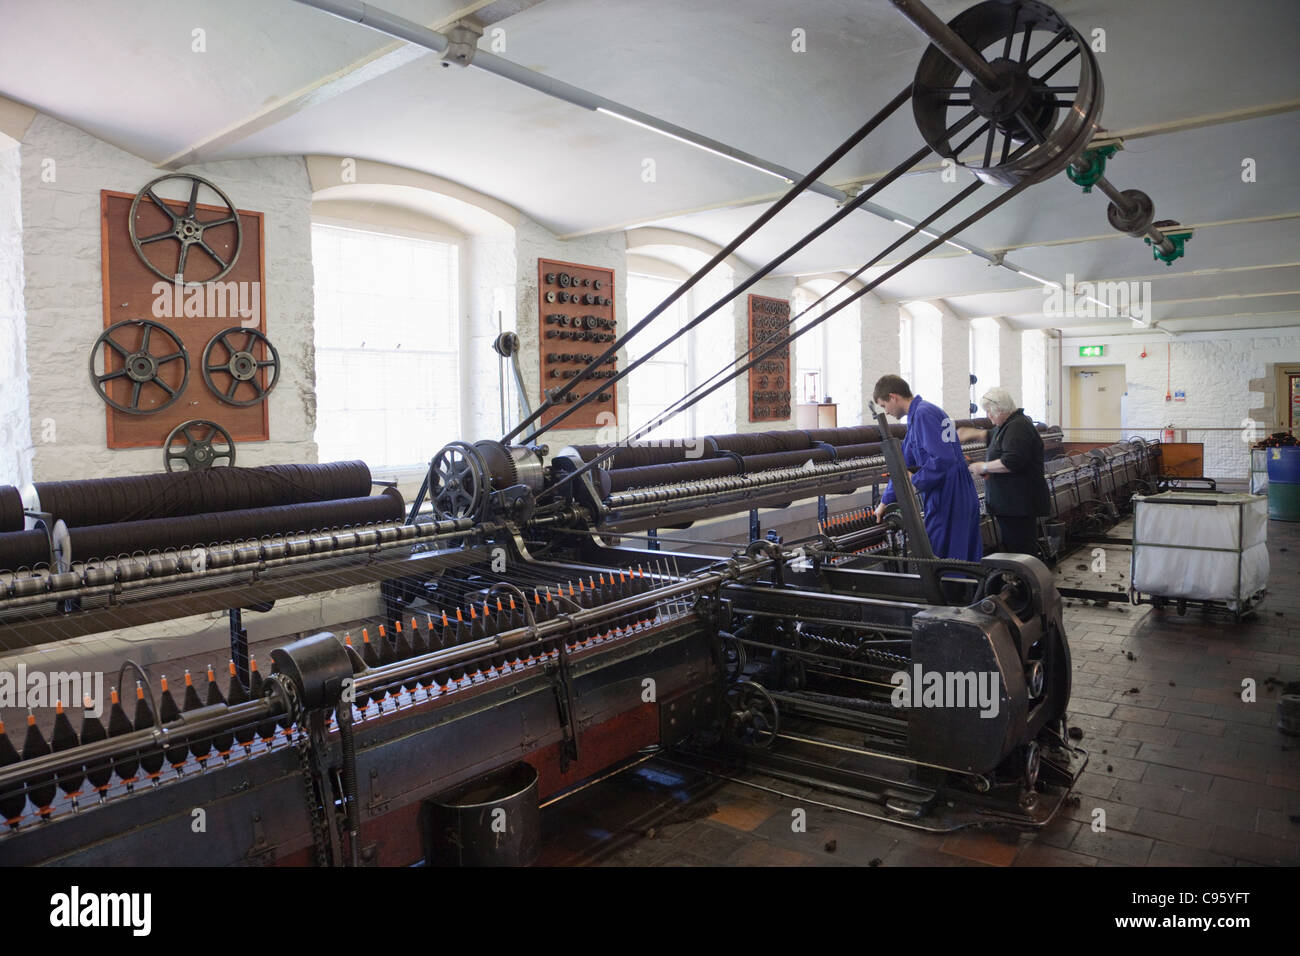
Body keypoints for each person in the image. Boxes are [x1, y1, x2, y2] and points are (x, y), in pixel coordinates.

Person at [871, 375, 982, 561]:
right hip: (957, 491)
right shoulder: (922, 415)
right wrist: (884, 503)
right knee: (962, 555)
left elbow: (943, 459)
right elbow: (903, 464)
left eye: (884, 406)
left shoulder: (923, 415)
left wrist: (915, 481)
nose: (886, 412)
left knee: (946, 557)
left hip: (948, 495)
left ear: (893, 397)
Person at [967, 387, 1050, 558]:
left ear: (1000, 409)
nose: (988, 416)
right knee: (1016, 548)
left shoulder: (1018, 426)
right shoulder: (1009, 425)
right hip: (1011, 505)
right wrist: (970, 434)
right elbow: (993, 437)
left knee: (1020, 550)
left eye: (989, 411)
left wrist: (983, 467)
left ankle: (1024, 575)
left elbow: (1011, 462)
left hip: (1017, 505)